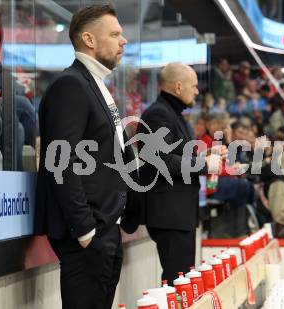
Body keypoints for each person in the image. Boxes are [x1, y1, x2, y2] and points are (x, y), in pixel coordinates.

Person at [35, 5, 138, 309]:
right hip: (88, 233)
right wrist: (85, 230)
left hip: (105, 229)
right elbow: (60, 162)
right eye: (115, 34)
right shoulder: (72, 85)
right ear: (89, 40)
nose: (124, 41)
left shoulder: (96, 86)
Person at [129, 62, 225, 284]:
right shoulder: (158, 114)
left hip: (179, 214)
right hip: (169, 215)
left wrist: (207, 153)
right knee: (177, 282)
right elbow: (159, 159)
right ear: (179, 87)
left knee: (184, 281)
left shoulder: (172, 113)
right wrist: (204, 164)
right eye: (194, 86)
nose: (197, 91)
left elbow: (177, 154)